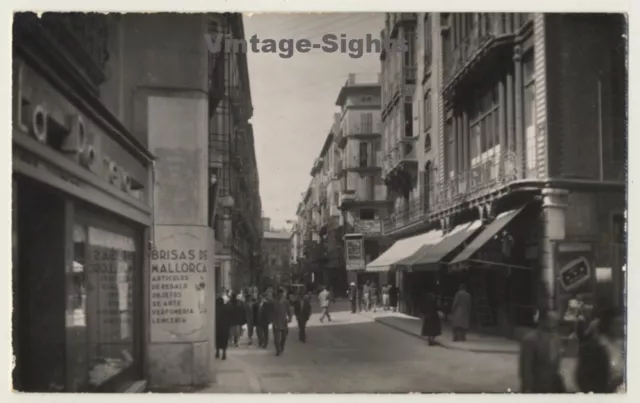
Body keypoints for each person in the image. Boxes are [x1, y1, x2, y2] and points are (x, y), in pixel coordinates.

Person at [575, 307, 625, 393]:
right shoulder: (595, 346)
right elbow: (582, 377)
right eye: (616, 324)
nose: (620, 328)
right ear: (608, 324)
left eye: (622, 324)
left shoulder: (623, 343)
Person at [519, 310, 566, 393]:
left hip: (552, 385)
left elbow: (556, 363)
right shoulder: (530, 339)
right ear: (543, 321)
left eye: (556, 320)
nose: (554, 323)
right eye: (551, 320)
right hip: (536, 385)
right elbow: (526, 366)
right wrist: (527, 387)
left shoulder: (557, 338)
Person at [272, 288, 293, 356]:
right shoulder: (274, 302)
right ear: (277, 294)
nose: (280, 295)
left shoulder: (286, 301)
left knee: (284, 337)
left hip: (284, 322)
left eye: (281, 293)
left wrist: (290, 318)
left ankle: (281, 346)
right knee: (276, 338)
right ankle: (278, 350)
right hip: (275, 322)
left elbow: (289, 310)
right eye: (279, 293)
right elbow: (271, 312)